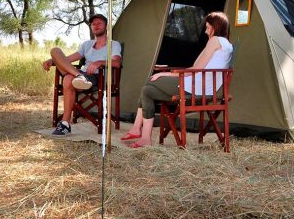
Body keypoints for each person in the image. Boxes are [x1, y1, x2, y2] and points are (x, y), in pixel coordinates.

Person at [121, 11, 232, 148]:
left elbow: (195, 69)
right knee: (147, 91)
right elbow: (200, 68)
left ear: (215, 27)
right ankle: (144, 137)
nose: (205, 31)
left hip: (195, 88)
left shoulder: (215, 41)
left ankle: (137, 129)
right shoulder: (227, 44)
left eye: (208, 27)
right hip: (204, 88)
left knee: (151, 80)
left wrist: (166, 74)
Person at [43, 14, 122, 136]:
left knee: (68, 79)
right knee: (55, 51)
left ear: (106, 26)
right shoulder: (87, 44)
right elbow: (67, 59)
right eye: (93, 24)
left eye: (99, 23)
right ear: (91, 27)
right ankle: (79, 77)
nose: (96, 25)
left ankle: (65, 123)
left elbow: (116, 63)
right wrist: (52, 61)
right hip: (81, 75)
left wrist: (100, 62)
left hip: (96, 77)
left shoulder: (114, 44)